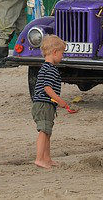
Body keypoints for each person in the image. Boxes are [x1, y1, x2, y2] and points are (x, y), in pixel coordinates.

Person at [31, 35, 72, 168]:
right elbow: (47, 88)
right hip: (43, 104)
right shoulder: (50, 69)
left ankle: (47, 158)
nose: (62, 56)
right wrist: (60, 101)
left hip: (46, 104)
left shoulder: (46, 67)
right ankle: (39, 159)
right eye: (62, 53)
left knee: (47, 131)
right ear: (54, 52)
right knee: (43, 132)